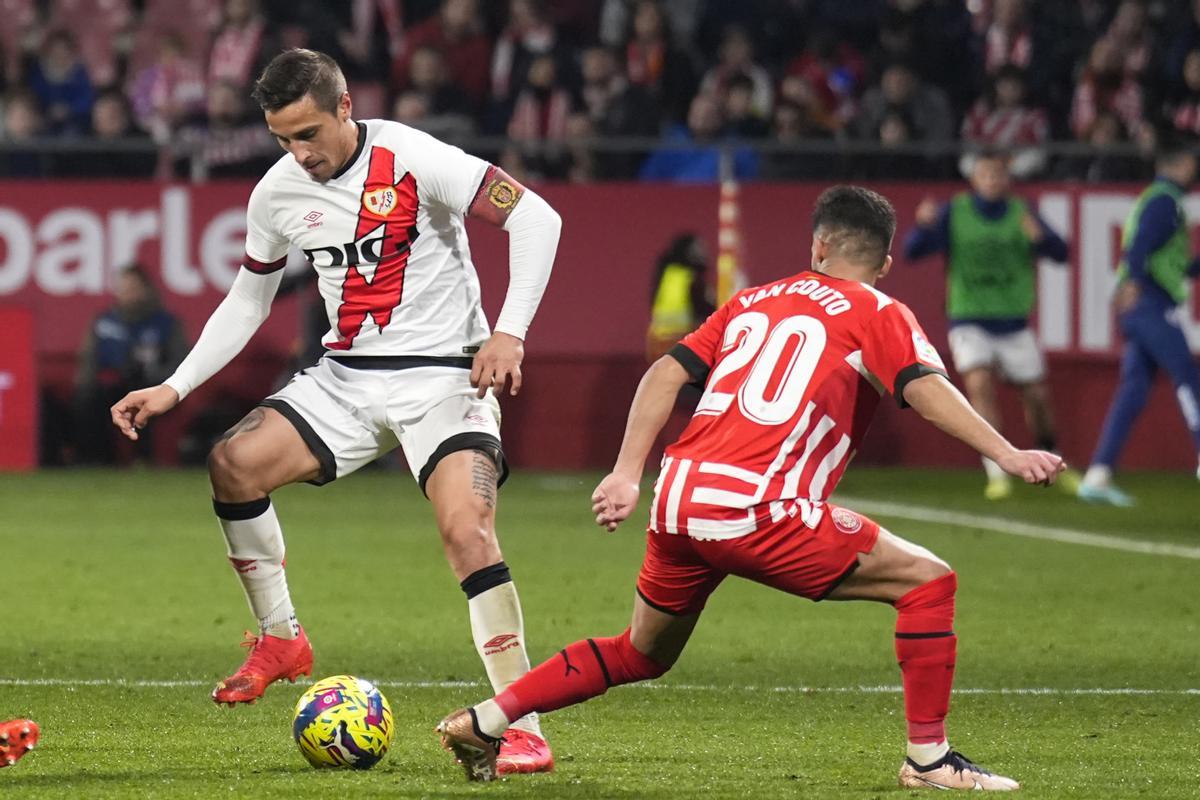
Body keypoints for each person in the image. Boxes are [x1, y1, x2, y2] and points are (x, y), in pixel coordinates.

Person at [435, 186, 1063, 790]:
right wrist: (1005, 451)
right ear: (887, 262)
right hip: (757, 508)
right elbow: (923, 386)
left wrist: (628, 471)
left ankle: (486, 722)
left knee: (641, 653)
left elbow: (663, 373)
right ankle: (928, 760)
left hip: (677, 499)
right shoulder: (880, 312)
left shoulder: (752, 300)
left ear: (818, 247)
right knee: (929, 582)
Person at [109, 48, 561, 774]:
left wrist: (509, 331)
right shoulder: (277, 193)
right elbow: (250, 296)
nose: (300, 153)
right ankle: (281, 637)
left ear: (345, 106)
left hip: (445, 379)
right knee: (232, 463)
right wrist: (176, 385)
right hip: (347, 378)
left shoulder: (413, 156)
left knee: (467, 534)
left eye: (309, 133)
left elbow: (537, 219)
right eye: (284, 138)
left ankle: (522, 724)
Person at [904, 151, 1076, 500]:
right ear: (975, 179)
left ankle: (1050, 456)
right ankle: (996, 470)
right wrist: (923, 226)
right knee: (979, 383)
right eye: (986, 175)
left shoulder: (1022, 212)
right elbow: (913, 251)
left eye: (997, 175)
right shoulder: (957, 211)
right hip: (969, 317)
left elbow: (1062, 253)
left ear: (1006, 179)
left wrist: (1040, 239)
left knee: (1037, 397)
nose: (992, 181)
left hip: (1014, 322)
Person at [1078, 142, 1200, 505]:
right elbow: (1142, 246)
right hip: (1149, 302)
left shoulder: (1154, 198)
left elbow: (1167, 260)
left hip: (1141, 302)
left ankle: (1098, 475)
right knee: (1188, 376)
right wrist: (1132, 282)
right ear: (1180, 163)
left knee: (1134, 389)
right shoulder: (1166, 201)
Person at [74, 264, 187, 464]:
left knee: (141, 394)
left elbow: (180, 362)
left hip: (152, 385)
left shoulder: (165, 323)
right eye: (123, 287)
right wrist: (84, 385)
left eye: (133, 287)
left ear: (146, 289)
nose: (128, 293)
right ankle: (97, 459)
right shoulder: (104, 322)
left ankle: (143, 459)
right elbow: (89, 361)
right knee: (89, 398)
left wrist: (161, 383)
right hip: (110, 387)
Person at [646, 233, 714, 362]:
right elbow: (705, 308)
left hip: (658, 340)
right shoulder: (691, 277)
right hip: (684, 340)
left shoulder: (666, 274)